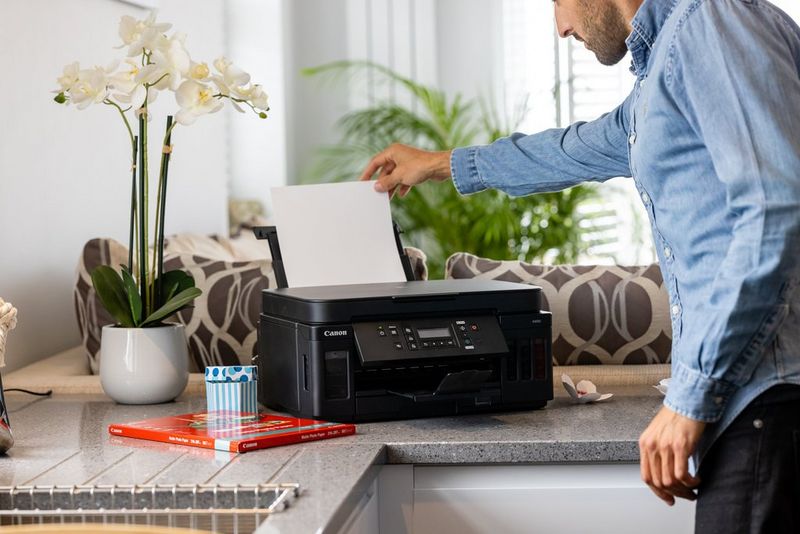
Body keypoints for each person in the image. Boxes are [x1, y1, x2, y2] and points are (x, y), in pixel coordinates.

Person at [359, 0, 800, 532]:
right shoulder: (668, 61)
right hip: (750, 400)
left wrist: (690, 397)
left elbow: (774, 210)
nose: (561, 26)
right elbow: (572, 149)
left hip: (768, 397)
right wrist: (441, 164)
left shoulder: (710, 23)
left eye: (557, 2)